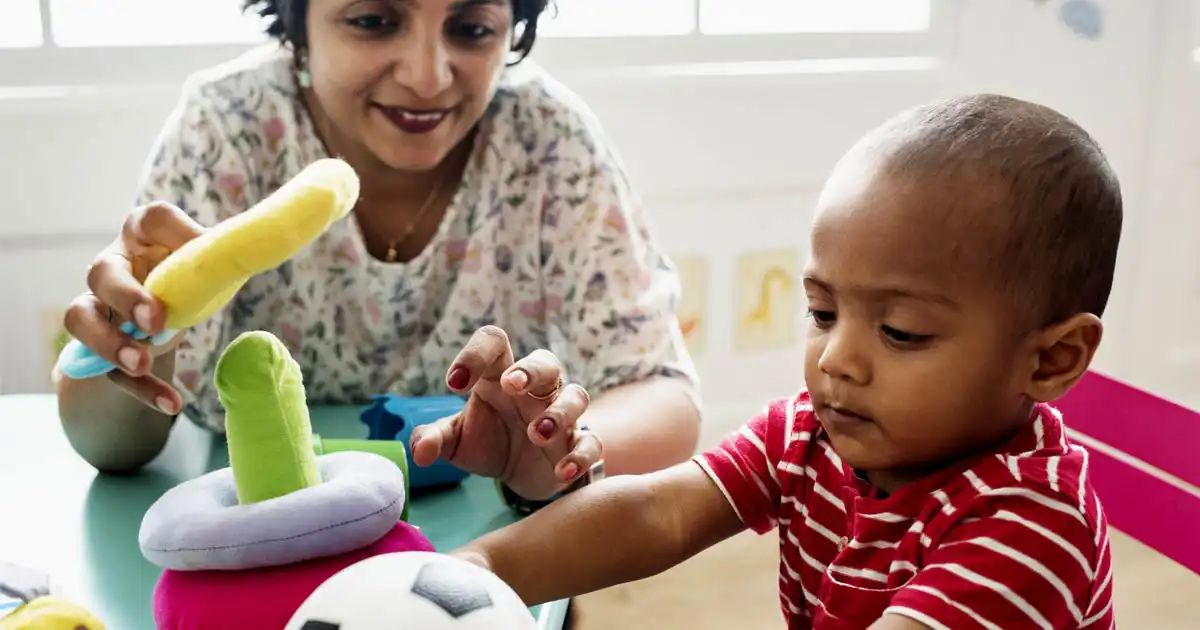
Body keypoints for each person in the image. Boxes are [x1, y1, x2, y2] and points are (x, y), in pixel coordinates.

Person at [450, 93, 1123, 630]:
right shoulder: (812, 432)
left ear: (1051, 359)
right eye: (824, 313)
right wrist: (473, 566)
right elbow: (661, 512)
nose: (837, 359)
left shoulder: (1031, 533)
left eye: (901, 332)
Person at [56, 0, 699, 522]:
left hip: (491, 545)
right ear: (299, 20)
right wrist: (136, 335)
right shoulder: (228, 128)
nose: (427, 75)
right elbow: (112, 449)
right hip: (259, 529)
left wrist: (549, 453)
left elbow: (663, 393)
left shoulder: (545, 139)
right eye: (373, 21)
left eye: (472, 29)